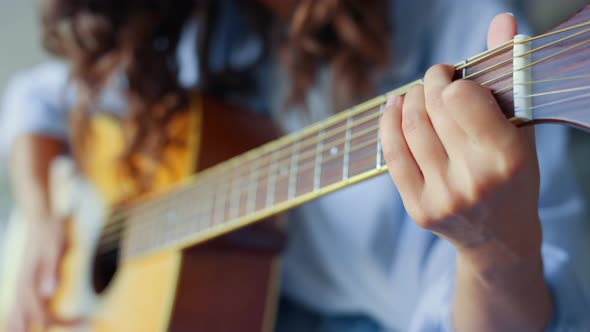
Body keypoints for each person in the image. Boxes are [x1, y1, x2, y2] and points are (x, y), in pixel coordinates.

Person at [1, 0, 588, 331]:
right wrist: (42, 215)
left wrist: (494, 251)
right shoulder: (175, 23)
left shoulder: (464, 23)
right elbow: (37, 99)